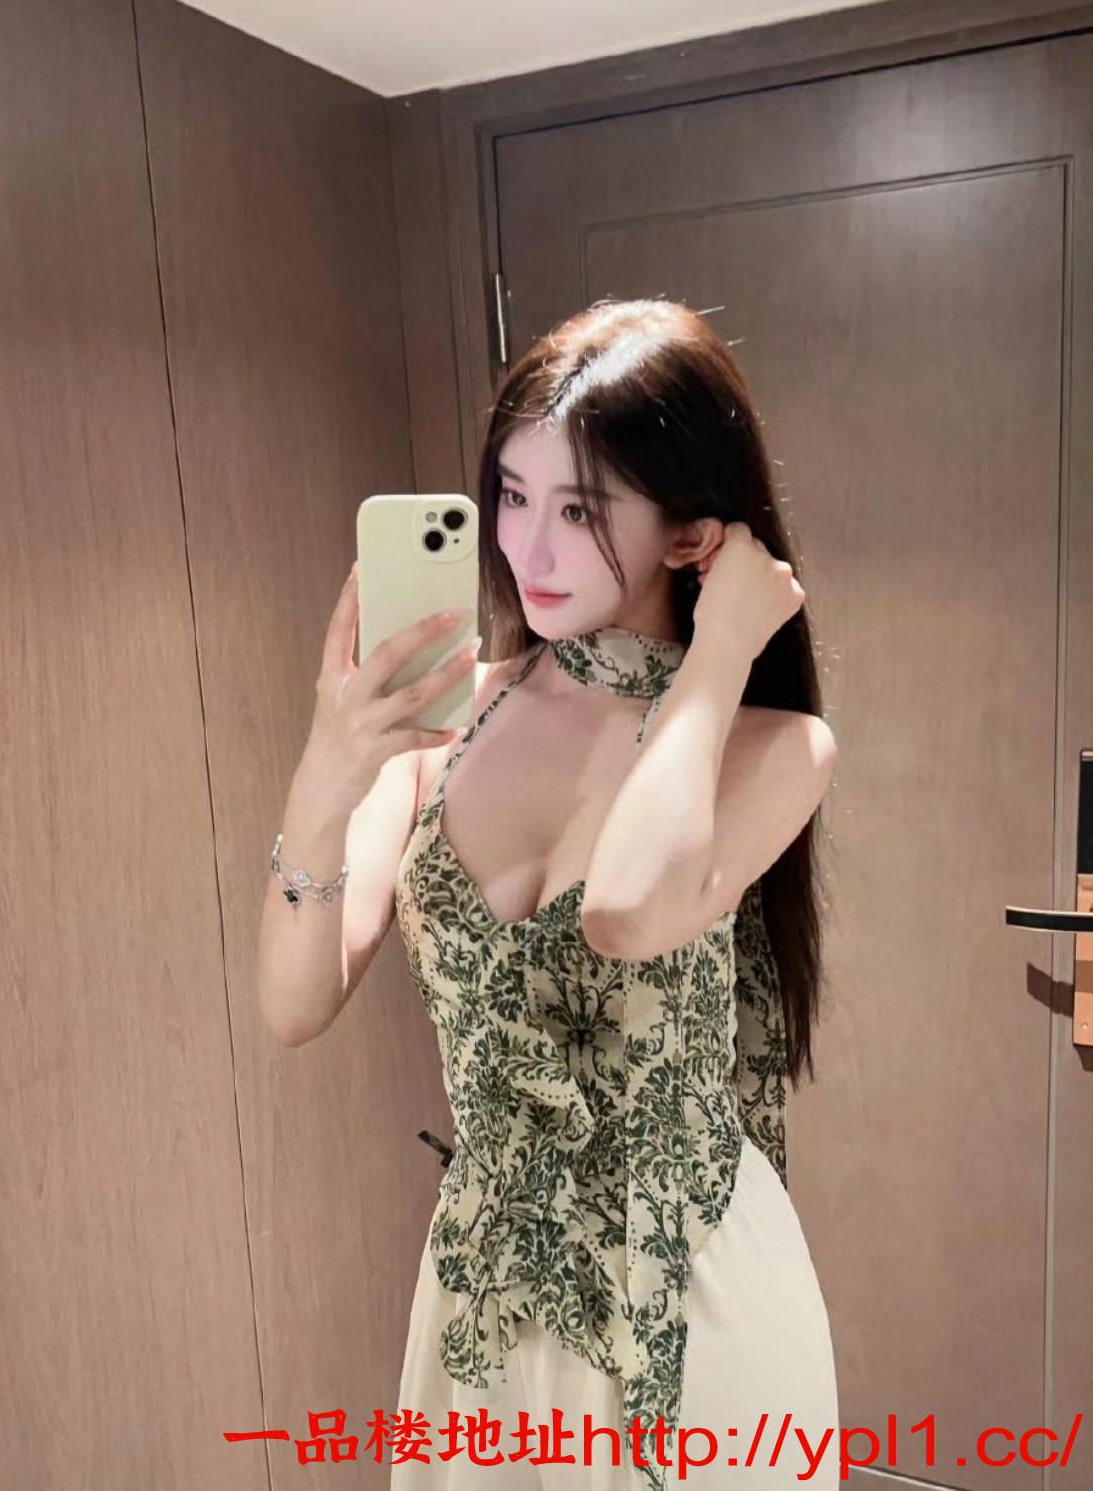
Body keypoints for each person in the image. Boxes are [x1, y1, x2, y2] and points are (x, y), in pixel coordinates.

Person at [257, 298, 840, 1488]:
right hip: (485, 1298)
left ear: (691, 534)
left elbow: (627, 908)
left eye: (580, 510)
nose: (528, 548)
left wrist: (719, 655)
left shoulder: (770, 744)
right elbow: (293, 1004)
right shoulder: (438, 730)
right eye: (513, 497)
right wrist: (326, 769)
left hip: (691, 1297)